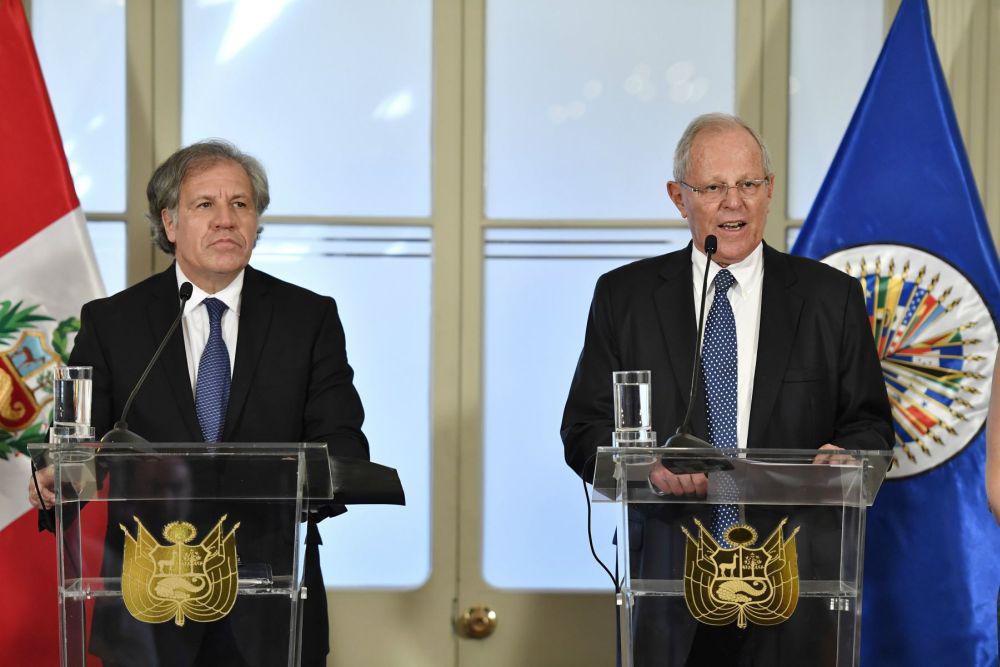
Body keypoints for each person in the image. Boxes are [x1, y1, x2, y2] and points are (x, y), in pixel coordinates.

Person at [560, 113, 892, 665]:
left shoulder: (830, 299)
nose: (733, 203)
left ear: (769, 191)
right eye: (713, 187)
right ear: (678, 197)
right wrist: (648, 469)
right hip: (670, 579)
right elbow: (583, 430)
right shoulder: (626, 296)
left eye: (748, 185)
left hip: (796, 582)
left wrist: (847, 455)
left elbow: (871, 424)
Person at [29, 140, 368, 666]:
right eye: (204, 205)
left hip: (270, 603)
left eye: (241, 204)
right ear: (169, 223)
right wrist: (58, 479)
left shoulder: (309, 319)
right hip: (146, 599)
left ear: (257, 221)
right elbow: (79, 447)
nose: (226, 220)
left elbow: (343, 442)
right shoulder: (114, 322)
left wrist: (312, 480)